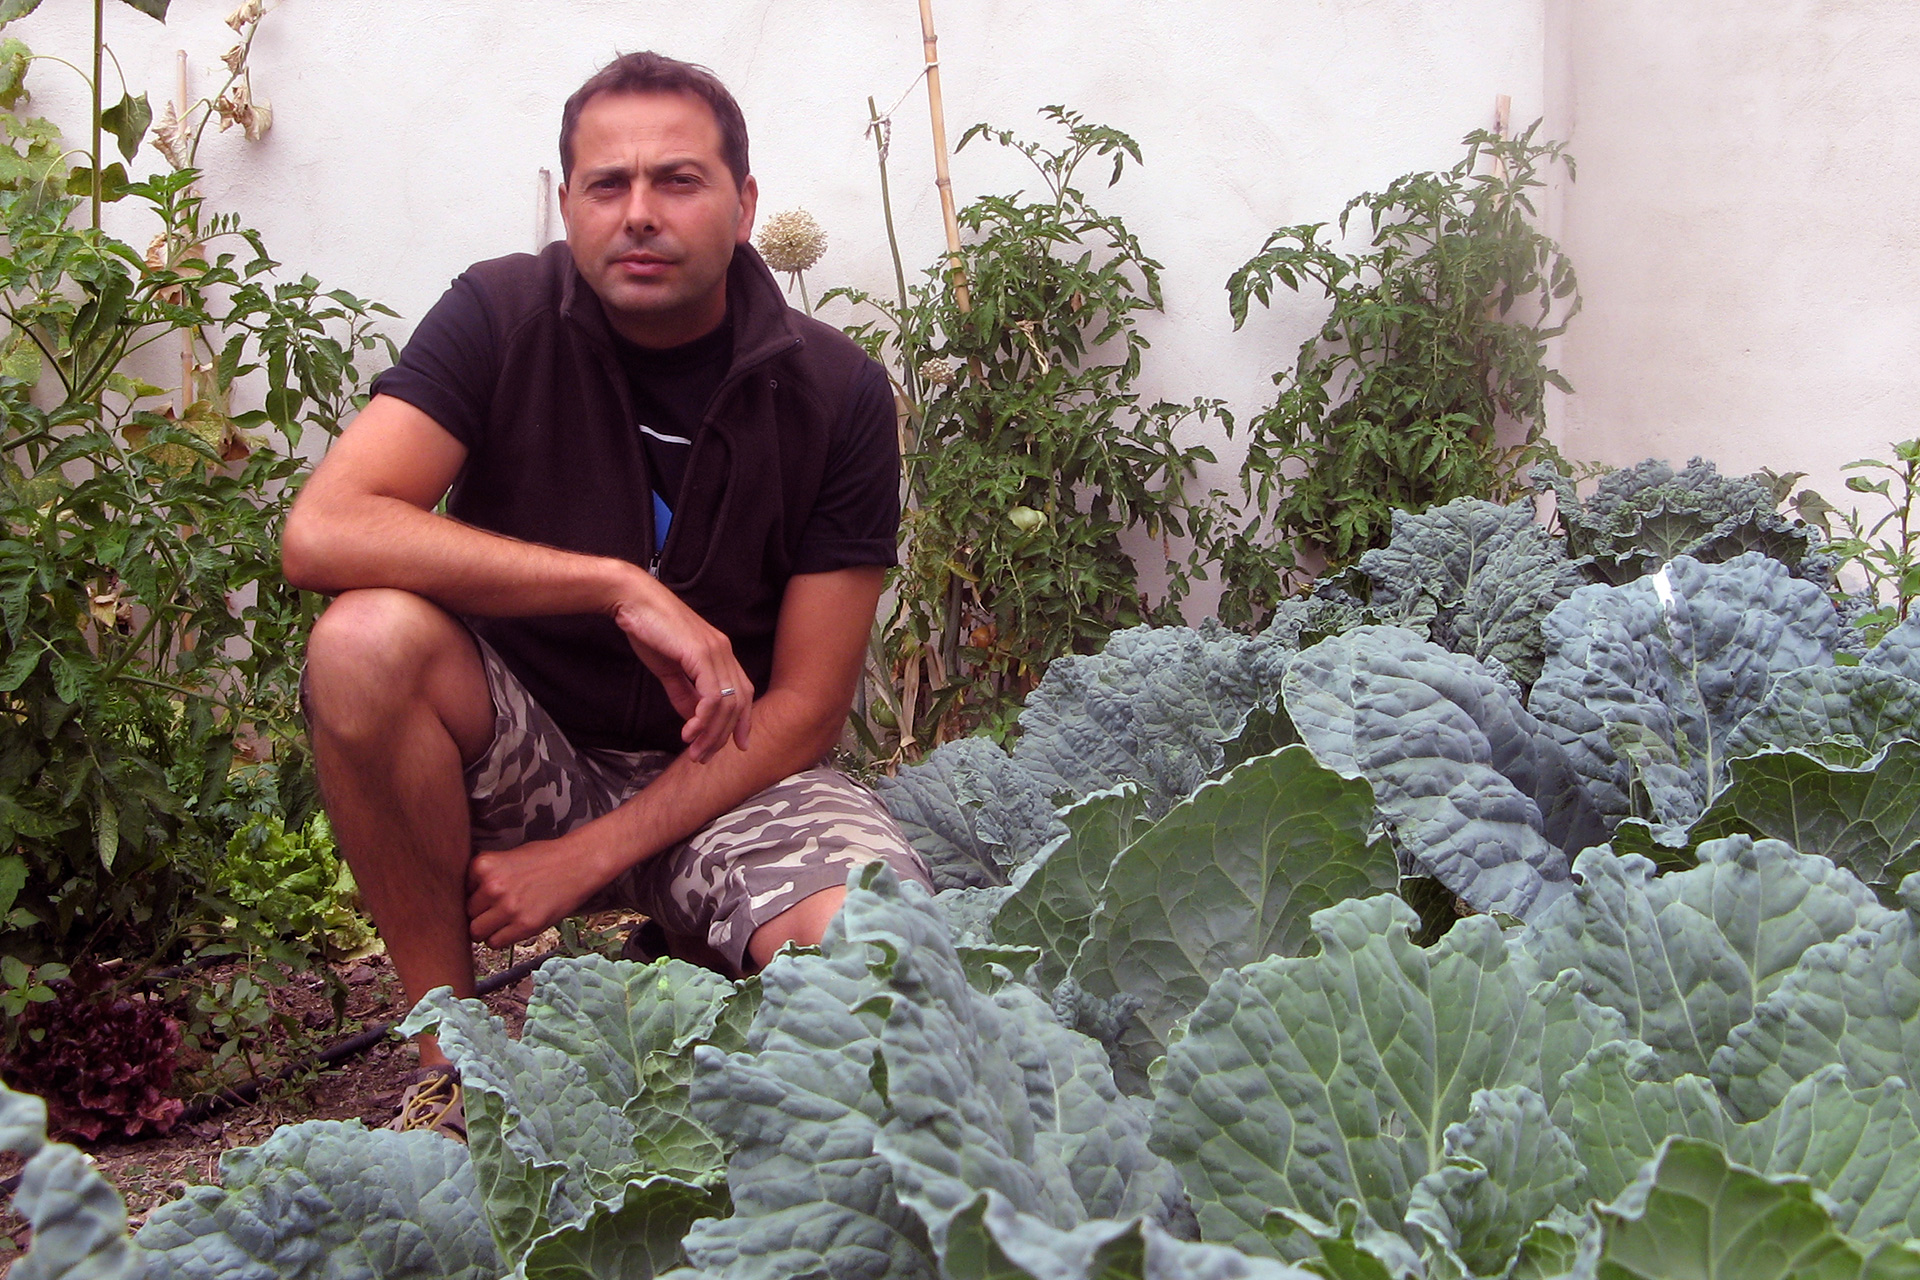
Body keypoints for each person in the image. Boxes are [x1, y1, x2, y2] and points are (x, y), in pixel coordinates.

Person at [281, 51, 932, 1139]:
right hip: (521, 745)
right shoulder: (501, 313)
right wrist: (612, 582)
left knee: (879, 956)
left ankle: (698, 949)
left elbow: (810, 706)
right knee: (362, 640)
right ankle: (452, 1064)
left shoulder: (837, 391)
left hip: (731, 769)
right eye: (607, 185)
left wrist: (590, 854)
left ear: (744, 203)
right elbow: (324, 528)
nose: (639, 213)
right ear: (568, 202)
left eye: (677, 180)